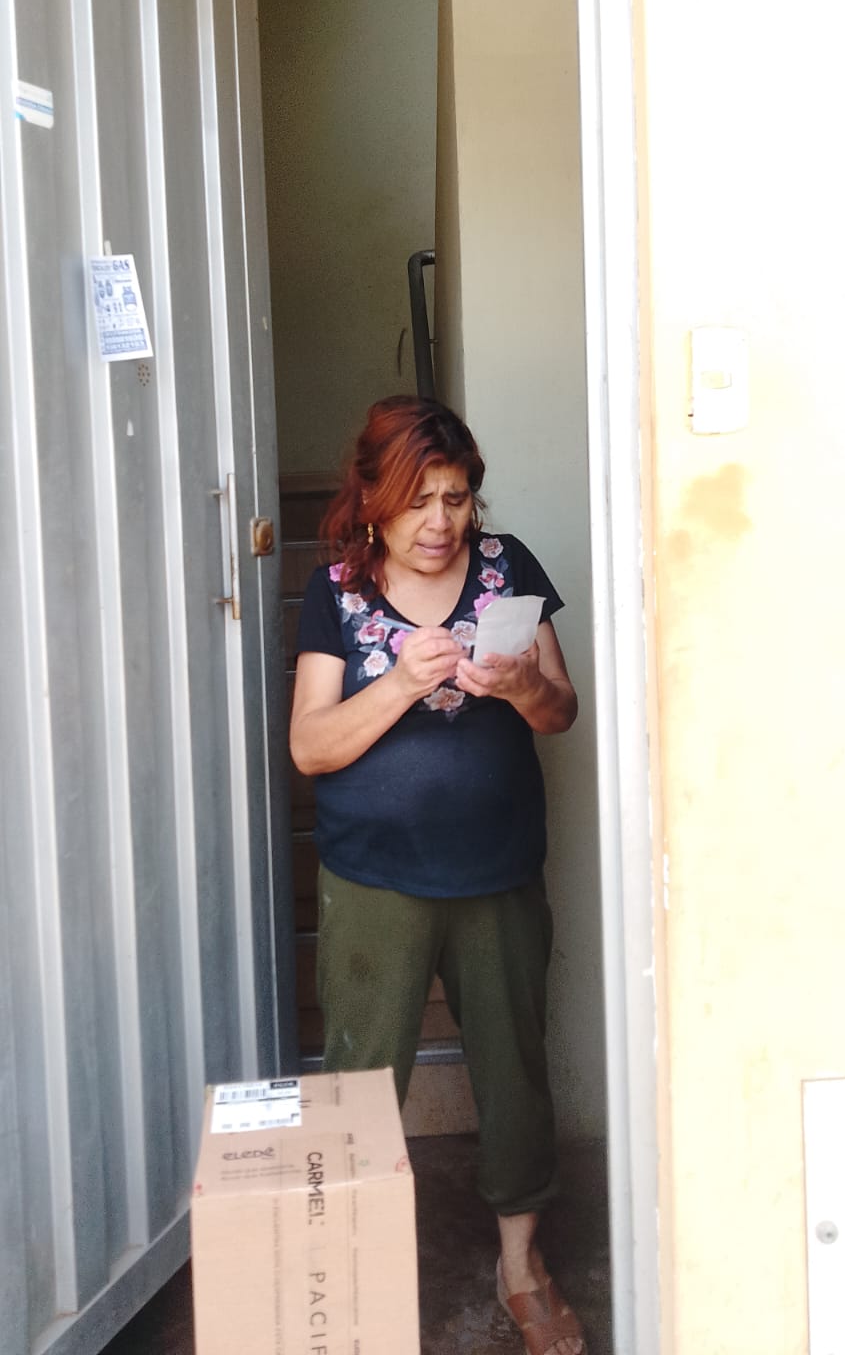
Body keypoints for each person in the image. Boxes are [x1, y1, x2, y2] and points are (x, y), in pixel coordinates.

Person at [290, 395, 585, 1355]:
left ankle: (521, 1268)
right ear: (374, 499)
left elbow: (560, 712)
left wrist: (521, 684)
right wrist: (402, 681)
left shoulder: (509, 569)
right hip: (374, 878)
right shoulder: (336, 590)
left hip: (496, 867)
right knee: (360, 1078)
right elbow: (311, 748)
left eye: (455, 499)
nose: (439, 523)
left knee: (512, 1068)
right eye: (418, 501)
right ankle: (349, 1278)